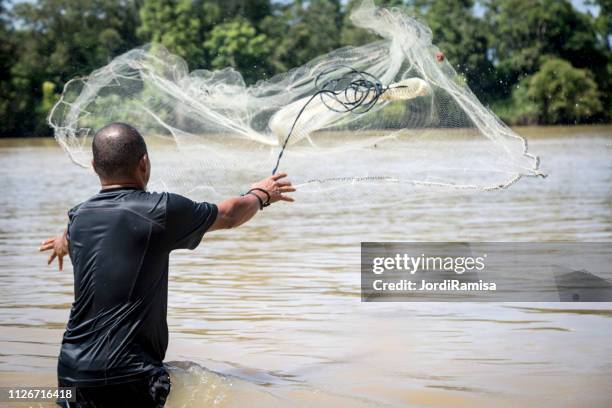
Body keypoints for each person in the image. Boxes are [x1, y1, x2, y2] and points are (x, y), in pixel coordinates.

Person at [39, 122, 295, 407]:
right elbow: (230, 215)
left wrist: (62, 243)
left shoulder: (79, 218)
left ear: (94, 166)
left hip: (72, 373)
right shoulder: (160, 210)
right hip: (130, 374)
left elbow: (68, 236)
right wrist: (261, 194)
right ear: (144, 163)